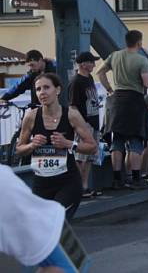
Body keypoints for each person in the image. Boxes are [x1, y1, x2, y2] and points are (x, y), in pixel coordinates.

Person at [16, 73, 97, 220]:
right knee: (43, 229)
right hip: (41, 184)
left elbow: (92, 146)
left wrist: (69, 144)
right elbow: (19, 149)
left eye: (46, 87)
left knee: (56, 222)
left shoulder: (71, 115)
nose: (42, 93)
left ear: (57, 90)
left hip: (67, 182)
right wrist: (32, 145)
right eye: (38, 89)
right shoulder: (31, 117)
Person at [96, 30, 148, 190]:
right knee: (135, 140)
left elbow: (100, 72)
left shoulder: (114, 56)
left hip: (116, 100)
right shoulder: (141, 60)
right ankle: (136, 178)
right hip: (134, 100)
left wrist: (109, 89)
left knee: (117, 141)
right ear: (139, 43)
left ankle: (116, 179)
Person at [68, 52, 102, 198]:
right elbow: (73, 106)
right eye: (91, 62)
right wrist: (80, 125)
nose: (94, 65)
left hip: (93, 121)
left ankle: (85, 186)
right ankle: (79, 187)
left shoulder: (89, 78)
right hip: (84, 123)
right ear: (83, 64)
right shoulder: (76, 82)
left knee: (89, 157)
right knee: (80, 157)